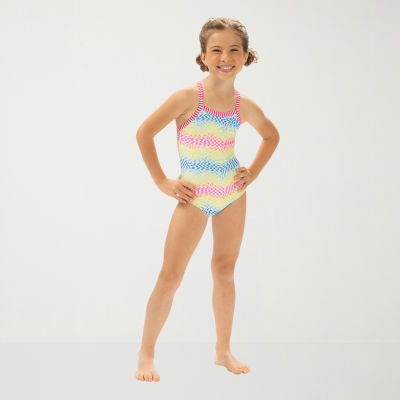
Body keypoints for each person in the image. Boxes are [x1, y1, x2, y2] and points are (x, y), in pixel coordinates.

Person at [135, 17, 280, 382]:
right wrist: (162, 181)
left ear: (246, 56)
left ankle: (223, 350)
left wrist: (252, 172)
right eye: (216, 50)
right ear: (203, 56)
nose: (225, 57)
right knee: (170, 275)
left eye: (234, 50)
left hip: (231, 192)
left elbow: (271, 136)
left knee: (224, 271)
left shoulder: (243, 105)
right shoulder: (187, 97)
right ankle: (146, 353)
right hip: (194, 195)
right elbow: (144, 133)